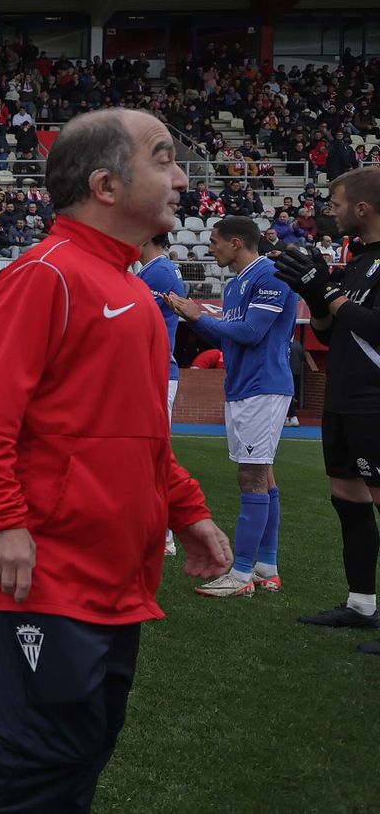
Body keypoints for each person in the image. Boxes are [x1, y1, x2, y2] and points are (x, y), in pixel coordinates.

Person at [0, 107, 231, 814]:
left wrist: (188, 511)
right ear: (106, 184)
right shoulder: (45, 275)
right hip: (49, 569)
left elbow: (142, 438)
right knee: (43, 759)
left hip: (116, 570)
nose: (181, 177)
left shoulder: (134, 291)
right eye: (164, 158)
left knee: (85, 747)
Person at [272, 167, 380, 648]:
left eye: (335, 204)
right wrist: (315, 296)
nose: (328, 213)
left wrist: (330, 292)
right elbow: (332, 330)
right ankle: (361, 604)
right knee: (347, 499)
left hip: (374, 401)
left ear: (363, 208)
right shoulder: (359, 262)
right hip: (343, 400)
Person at [165, 215, 296, 599]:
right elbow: (230, 341)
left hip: (263, 386)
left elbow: (251, 333)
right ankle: (266, 568)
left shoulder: (269, 275)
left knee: (251, 477)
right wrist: (189, 314)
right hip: (243, 386)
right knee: (263, 476)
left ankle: (240, 575)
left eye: (215, 242)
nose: (210, 249)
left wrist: (200, 315)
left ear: (236, 243)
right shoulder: (237, 283)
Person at [137, 230, 187, 556]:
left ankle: (165, 534)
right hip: (151, 372)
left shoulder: (159, 271)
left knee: (153, 454)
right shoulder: (156, 269)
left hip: (156, 373)